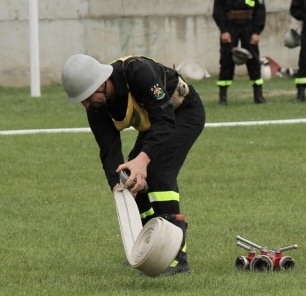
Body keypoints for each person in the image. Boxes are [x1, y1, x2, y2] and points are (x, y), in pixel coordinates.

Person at [61, 53, 205, 276]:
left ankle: (176, 257)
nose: (87, 105)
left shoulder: (138, 72)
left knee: (158, 173)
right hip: (154, 124)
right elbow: (109, 152)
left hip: (182, 113)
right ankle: (149, 248)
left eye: (88, 96)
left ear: (101, 83)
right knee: (130, 177)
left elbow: (165, 119)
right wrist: (118, 185)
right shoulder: (95, 109)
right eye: (82, 100)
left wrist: (144, 159)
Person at [212, 0, 267, 105]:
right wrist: (224, 30)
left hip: (248, 26)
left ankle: (259, 95)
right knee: (226, 60)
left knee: (253, 59)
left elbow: (260, 10)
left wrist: (257, 31)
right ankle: (223, 98)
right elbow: (217, 10)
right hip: (230, 27)